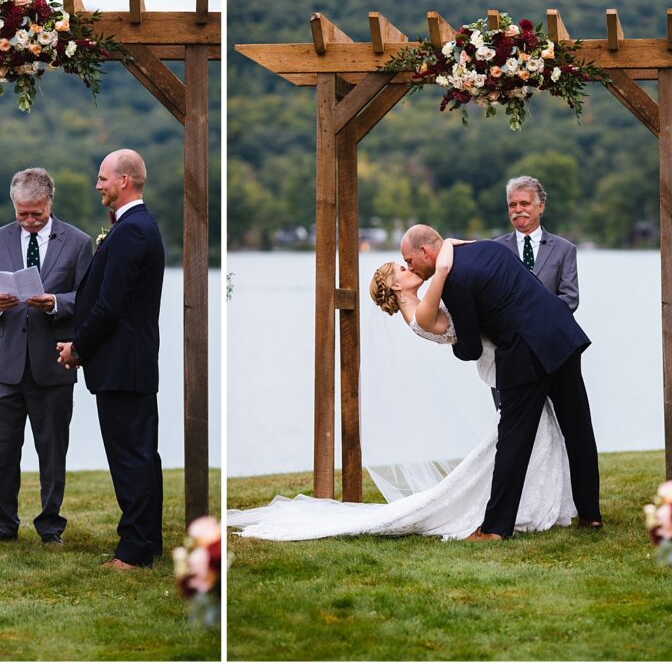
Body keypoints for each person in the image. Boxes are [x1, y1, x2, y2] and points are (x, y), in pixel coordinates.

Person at [227, 238, 576, 542]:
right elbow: (442, 275)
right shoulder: (421, 311)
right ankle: (503, 517)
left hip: (506, 356)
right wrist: (445, 254)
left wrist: (450, 244)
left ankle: (520, 508)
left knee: (522, 436)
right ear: (396, 287)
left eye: (409, 263)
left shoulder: (421, 303)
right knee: (514, 439)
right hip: (502, 359)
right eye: (404, 269)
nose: (411, 270)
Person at [402, 225, 602, 540]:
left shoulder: (453, 281)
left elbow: (471, 348)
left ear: (426, 252)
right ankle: (591, 515)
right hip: (560, 332)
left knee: (512, 440)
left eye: (410, 260)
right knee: (578, 428)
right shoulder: (488, 248)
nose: (410, 267)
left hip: (526, 351)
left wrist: (456, 343)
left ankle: (494, 528)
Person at [56, 149, 166, 570]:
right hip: (128, 363)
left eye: (103, 178)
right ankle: (146, 542)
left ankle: (134, 551)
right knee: (141, 455)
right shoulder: (134, 227)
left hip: (124, 364)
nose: (97, 185)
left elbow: (109, 305)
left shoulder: (133, 231)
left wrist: (78, 348)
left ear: (124, 181)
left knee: (131, 457)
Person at [0, 168, 92, 546]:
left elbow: (88, 299)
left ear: (49, 203)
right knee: (2, 451)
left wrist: (56, 302)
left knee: (52, 452)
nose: (28, 221)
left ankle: (50, 526)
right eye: (22, 213)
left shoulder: (78, 242)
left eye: (35, 214)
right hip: (4, 363)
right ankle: (4, 525)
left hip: (53, 363)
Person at [494, 175, 578, 312]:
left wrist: (535, 316)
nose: (518, 209)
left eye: (524, 203)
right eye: (512, 205)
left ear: (541, 206)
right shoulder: (495, 249)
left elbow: (570, 299)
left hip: (548, 330)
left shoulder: (565, 249)